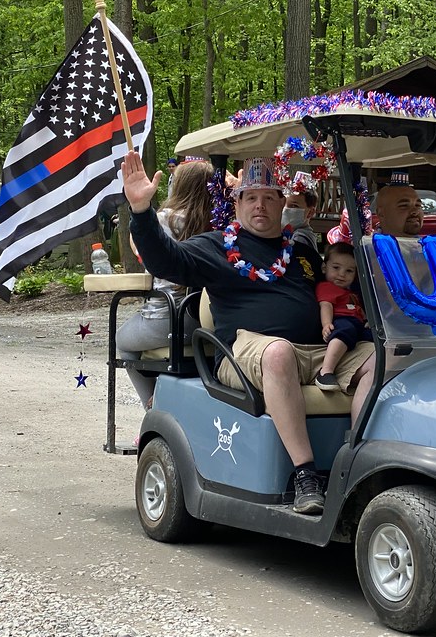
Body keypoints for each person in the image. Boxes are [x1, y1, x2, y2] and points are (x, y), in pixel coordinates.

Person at [123, 151, 375, 516]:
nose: (260, 205)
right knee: (278, 353)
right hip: (245, 354)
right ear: (238, 202)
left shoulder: (300, 249)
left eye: (269, 197)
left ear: (281, 203)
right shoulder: (215, 246)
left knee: (380, 357)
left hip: (315, 350)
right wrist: (142, 212)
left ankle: (356, 460)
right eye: (251, 197)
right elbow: (166, 261)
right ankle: (306, 475)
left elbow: (332, 286)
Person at [117, 159, 215, 409]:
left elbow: (149, 259)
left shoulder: (164, 219)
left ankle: (151, 406)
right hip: (209, 321)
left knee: (122, 341)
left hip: (170, 317)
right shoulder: (219, 219)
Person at [315, 242, 371, 391]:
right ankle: (326, 371)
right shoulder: (327, 287)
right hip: (340, 320)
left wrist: (366, 320)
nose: (342, 274)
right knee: (345, 330)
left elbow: (358, 309)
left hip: (357, 323)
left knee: (373, 335)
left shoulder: (351, 293)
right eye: (336, 268)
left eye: (349, 271)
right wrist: (326, 324)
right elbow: (326, 305)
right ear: (324, 267)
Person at [282, 178, 319, 251]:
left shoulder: (300, 239)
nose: (285, 209)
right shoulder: (289, 234)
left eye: (293, 206)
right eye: (282, 204)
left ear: (310, 212)